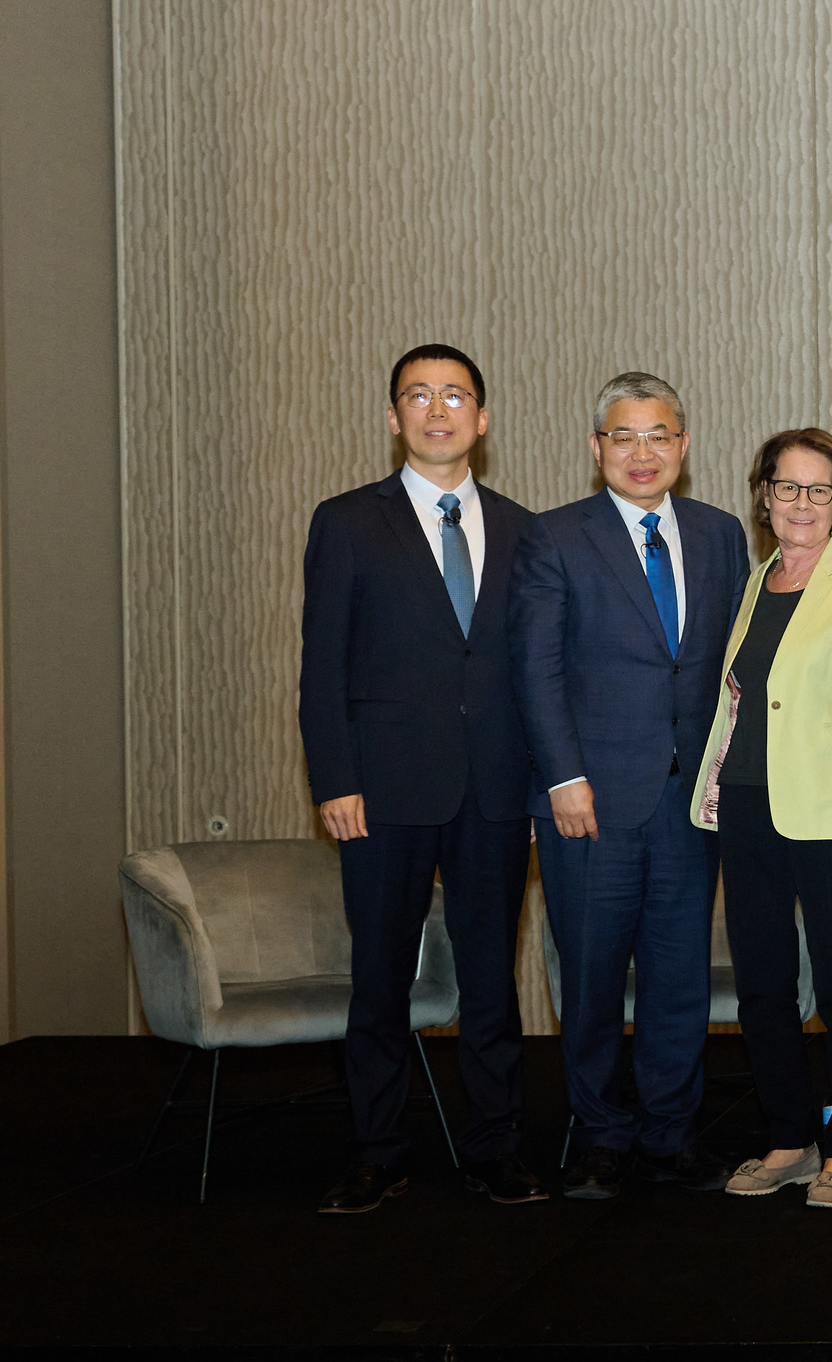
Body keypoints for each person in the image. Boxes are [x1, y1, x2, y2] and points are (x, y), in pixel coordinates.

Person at [299, 343, 539, 1214]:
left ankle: (495, 1147)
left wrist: (545, 783)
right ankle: (377, 1152)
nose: (438, 411)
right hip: (383, 790)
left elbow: (536, 671)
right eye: (419, 396)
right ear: (394, 416)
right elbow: (322, 666)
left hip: (496, 789)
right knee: (381, 978)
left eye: (456, 395)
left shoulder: (524, 528)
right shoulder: (347, 521)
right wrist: (334, 779)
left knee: (491, 980)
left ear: (484, 417)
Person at [511, 371, 751, 1199]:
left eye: (658, 435)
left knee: (680, 979)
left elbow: (733, 666)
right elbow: (536, 671)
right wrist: (563, 777)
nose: (642, 452)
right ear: (597, 447)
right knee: (592, 978)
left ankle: (670, 1133)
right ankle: (602, 1135)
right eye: (624, 436)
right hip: (590, 803)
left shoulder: (721, 534)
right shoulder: (554, 537)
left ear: (683, 445)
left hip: (690, 803)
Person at [691, 429, 832, 1209]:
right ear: (764, 496)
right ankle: (789, 1137)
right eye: (788, 487)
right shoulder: (756, 581)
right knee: (762, 983)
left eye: (819, 489)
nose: (802, 503)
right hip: (748, 806)